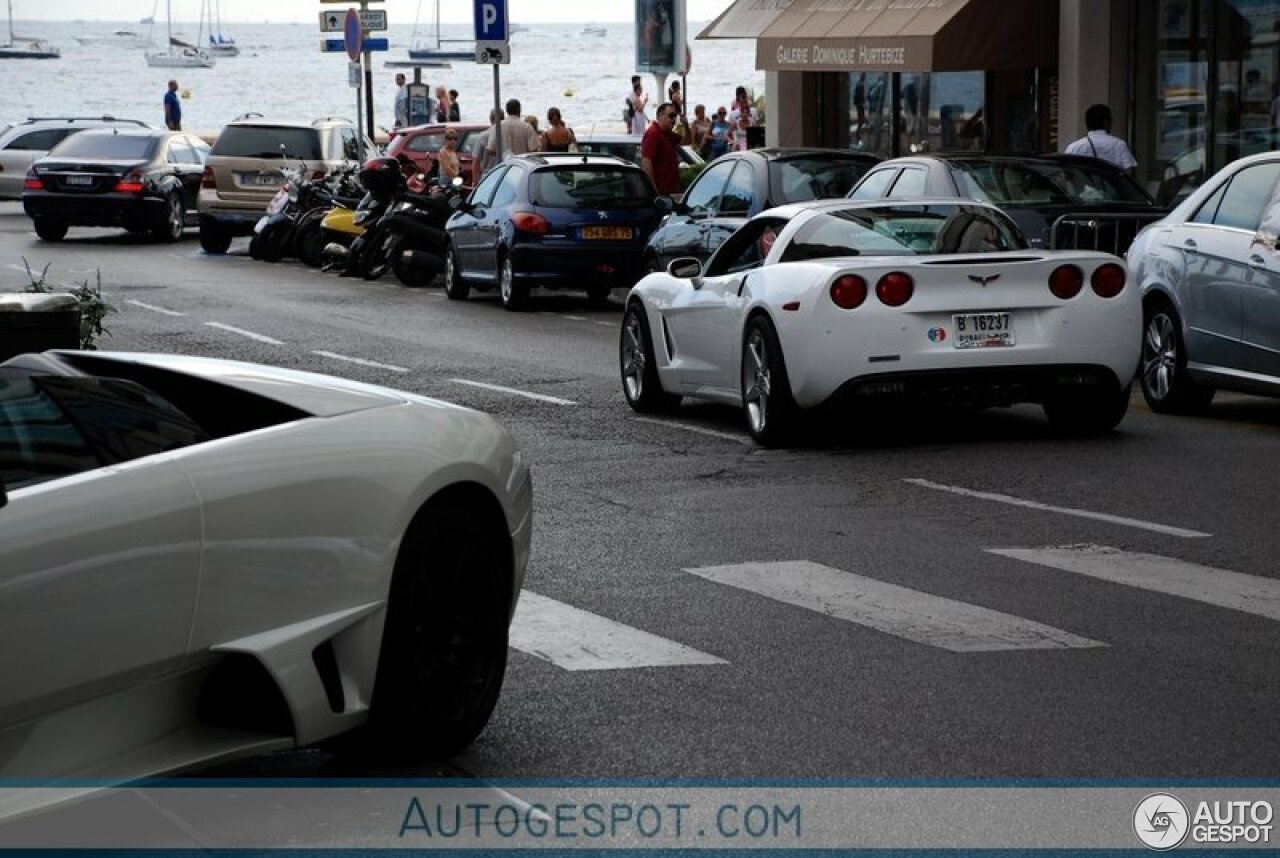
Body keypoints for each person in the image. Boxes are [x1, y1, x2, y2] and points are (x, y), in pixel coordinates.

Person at [1064, 103, 1136, 175]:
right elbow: (1129, 171)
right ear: (1106, 123)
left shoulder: (1073, 147)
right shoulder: (1119, 144)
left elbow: (1067, 174)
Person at [641, 101, 688, 196]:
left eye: (675, 116)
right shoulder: (653, 133)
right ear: (660, 116)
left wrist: (686, 126)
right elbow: (647, 162)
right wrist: (653, 191)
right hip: (661, 192)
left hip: (672, 191)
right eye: (671, 116)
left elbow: (687, 142)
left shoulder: (668, 134)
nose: (673, 119)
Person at [471, 107, 505, 184]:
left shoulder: (482, 136)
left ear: (490, 119)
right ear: (503, 119)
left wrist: (475, 180)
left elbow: (476, 160)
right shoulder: (506, 136)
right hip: (504, 175)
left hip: (487, 176)